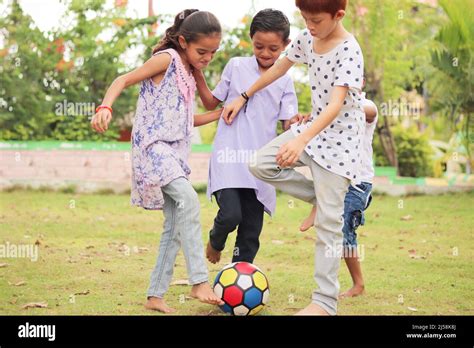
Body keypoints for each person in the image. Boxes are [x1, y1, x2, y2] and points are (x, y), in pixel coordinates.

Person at [223, 0, 365, 315]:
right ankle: (322, 198)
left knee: (329, 225)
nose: (309, 26)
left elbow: (336, 104)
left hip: (339, 143)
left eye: (315, 20)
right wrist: (243, 96)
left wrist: (301, 139)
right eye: (305, 18)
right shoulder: (306, 38)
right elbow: (278, 69)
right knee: (261, 164)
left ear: (338, 15)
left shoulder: (350, 51)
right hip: (313, 131)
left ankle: (325, 303)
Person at [90, 9, 225, 313]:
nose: (207, 57)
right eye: (202, 51)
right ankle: (199, 281)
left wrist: (218, 104)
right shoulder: (167, 59)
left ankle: (155, 295)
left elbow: (199, 111)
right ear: (182, 41)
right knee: (189, 201)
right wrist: (105, 108)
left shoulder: (189, 69)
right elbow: (122, 79)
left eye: (213, 53)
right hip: (153, 148)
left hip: (174, 153)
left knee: (175, 223)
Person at [193, 9, 299, 265]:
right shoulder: (236, 66)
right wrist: (196, 71)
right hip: (228, 157)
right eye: (259, 46)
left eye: (273, 48)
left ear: (286, 45)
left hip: (260, 163)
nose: (264, 53)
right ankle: (215, 240)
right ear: (251, 39)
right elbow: (210, 103)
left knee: (251, 231)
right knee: (230, 215)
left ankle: (240, 275)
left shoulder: (285, 80)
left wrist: (298, 123)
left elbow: (289, 124)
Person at [299, 91, 378, 298]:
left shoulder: (365, 104)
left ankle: (358, 284)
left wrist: (338, 107)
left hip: (358, 183)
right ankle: (319, 202)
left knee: (344, 232)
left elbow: (370, 111)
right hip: (337, 175)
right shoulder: (327, 112)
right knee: (335, 228)